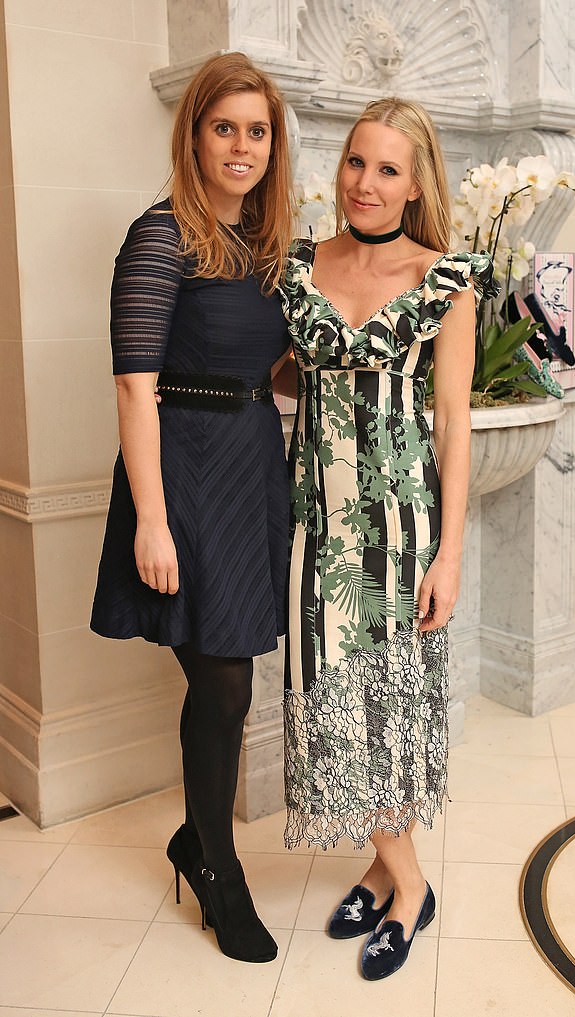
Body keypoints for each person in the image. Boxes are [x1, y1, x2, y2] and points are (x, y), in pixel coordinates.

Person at [277, 97, 497, 980]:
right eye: (356, 162)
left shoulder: (447, 280)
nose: (365, 183)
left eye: (388, 170)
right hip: (317, 532)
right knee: (336, 707)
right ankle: (388, 866)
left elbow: (453, 422)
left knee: (392, 710)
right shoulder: (297, 267)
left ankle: (405, 886)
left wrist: (449, 553)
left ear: (417, 185)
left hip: (405, 537)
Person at [90, 52, 293, 964]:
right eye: (226, 128)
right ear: (195, 132)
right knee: (223, 682)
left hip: (250, 463)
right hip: (182, 474)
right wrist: (152, 518)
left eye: (257, 131)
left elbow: (268, 367)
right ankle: (218, 865)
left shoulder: (267, 242)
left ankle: (193, 841)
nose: (242, 146)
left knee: (230, 677)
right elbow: (136, 389)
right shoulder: (160, 234)